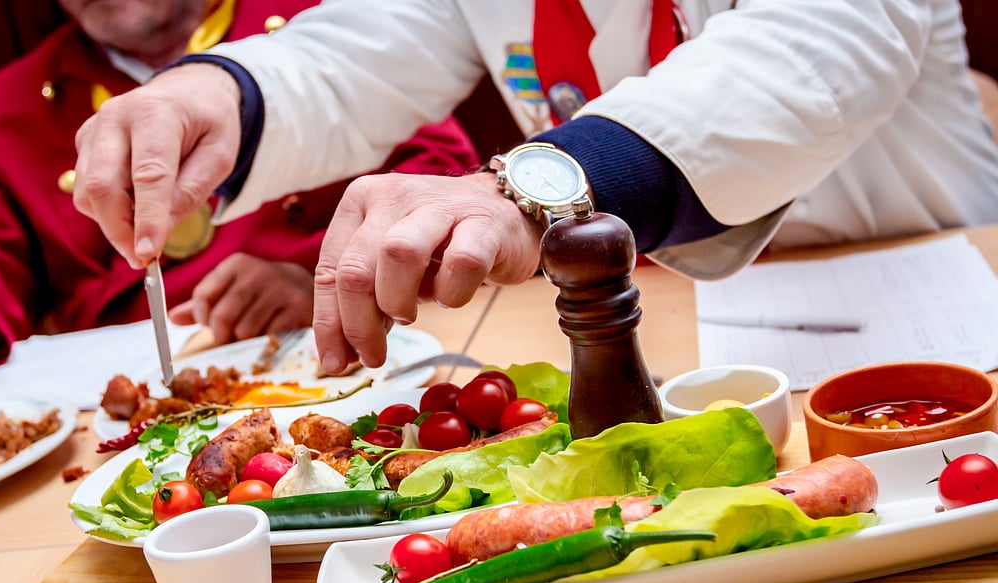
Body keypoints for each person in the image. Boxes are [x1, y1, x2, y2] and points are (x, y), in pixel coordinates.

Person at [70, 0, 998, 376]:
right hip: (672, 323)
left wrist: (536, 188)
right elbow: (362, 48)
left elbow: (819, 46)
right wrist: (220, 92)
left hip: (932, 299)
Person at [0, 0, 477, 396]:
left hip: (342, 374)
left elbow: (441, 175)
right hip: (142, 425)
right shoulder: (7, 105)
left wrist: (320, 274)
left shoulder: (325, 23)